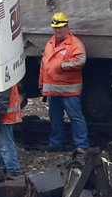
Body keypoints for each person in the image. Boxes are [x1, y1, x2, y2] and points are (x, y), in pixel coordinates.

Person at [38, 13, 90, 152]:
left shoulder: (75, 44)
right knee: (55, 118)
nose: (57, 30)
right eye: (55, 28)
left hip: (69, 89)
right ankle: (57, 142)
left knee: (75, 117)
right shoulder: (50, 43)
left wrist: (61, 65)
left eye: (60, 27)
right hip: (53, 89)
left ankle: (81, 145)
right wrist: (41, 83)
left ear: (67, 26)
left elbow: (80, 61)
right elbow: (44, 65)